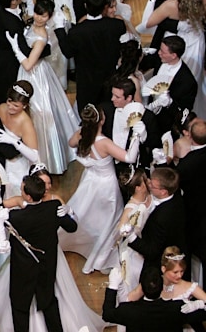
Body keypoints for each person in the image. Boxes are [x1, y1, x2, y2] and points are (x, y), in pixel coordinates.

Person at [0, 166, 106, 332]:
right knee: (49, 302)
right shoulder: (52, 208)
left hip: (23, 269)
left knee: (20, 307)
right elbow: (72, 227)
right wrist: (69, 213)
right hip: (47, 264)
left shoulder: (15, 217)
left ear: (28, 196)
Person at [60, 104, 140, 274]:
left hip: (90, 180)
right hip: (106, 185)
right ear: (101, 121)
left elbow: (70, 143)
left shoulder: (82, 135)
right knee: (108, 218)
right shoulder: (104, 143)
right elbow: (129, 157)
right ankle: (98, 254)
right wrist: (137, 136)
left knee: (85, 211)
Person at [7, 0, 79, 174]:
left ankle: (44, 157)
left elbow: (28, 64)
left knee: (40, 113)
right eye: (38, 14)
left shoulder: (42, 37)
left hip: (36, 75)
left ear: (50, 16)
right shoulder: (31, 23)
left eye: (44, 16)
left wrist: (16, 48)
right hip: (27, 75)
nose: (39, 18)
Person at [53, 0, 126, 113]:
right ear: (104, 7)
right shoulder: (117, 26)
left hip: (87, 82)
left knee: (87, 113)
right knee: (108, 111)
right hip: (109, 78)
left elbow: (68, 52)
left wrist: (59, 28)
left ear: (86, 6)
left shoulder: (77, 32)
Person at [0, 0, 50, 105]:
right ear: (13, 2)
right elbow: (26, 52)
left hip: (3, 54)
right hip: (11, 62)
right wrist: (45, 47)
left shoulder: (2, 5)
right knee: (8, 91)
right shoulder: (12, 25)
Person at [126, 168, 187, 278]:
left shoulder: (160, 219)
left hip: (159, 261)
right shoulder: (177, 198)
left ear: (163, 191)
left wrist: (131, 237)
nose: (148, 184)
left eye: (152, 185)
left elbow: (152, 251)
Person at [103, 266, 206, 331]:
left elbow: (107, 314)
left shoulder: (129, 310)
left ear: (142, 288)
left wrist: (113, 286)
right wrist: (199, 304)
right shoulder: (178, 308)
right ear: (161, 288)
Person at [100, 78, 161, 173]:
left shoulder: (147, 116)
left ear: (128, 98)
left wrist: (144, 136)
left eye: (117, 97)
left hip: (134, 168)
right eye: (112, 95)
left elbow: (155, 143)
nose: (112, 99)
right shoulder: (105, 110)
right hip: (108, 166)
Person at [0, 81, 39, 198]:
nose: (10, 107)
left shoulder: (26, 123)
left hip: (16, 166)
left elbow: (34, 156)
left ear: (24, 106)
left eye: (16, 106)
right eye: (9, 102)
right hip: (0, 159)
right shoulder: (2, 108)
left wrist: (15, 142)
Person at [114, 167, 153, 303]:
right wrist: (125, 230)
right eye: (145, 180)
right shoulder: (130, 208)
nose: (149, 181)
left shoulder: (149, 196)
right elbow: (120, 231)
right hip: (134, 252)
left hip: (148, 244)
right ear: (138, 188)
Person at [147, 35, 198, 133]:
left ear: (173, 55)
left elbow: (184, 112)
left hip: (167, 125)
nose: (159, 53)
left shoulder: (187, 81)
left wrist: (170, 103)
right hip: (150, 115)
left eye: (163, 52)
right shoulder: (159, 59)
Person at [176, 120, 206, 282]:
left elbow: (175, 182)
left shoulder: (186, 165)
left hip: (194, 212)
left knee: (189, 248)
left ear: (190, 137)